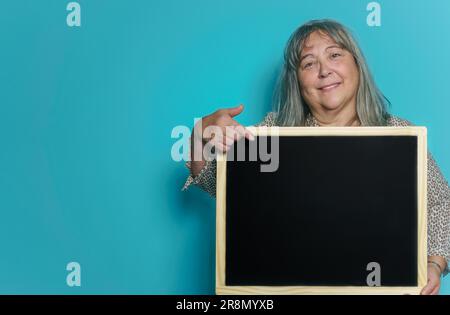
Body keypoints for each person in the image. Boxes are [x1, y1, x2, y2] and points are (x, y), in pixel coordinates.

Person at [182, 19, 450, 295]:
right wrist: (201, 133)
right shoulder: (273, 133)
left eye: (335, 55)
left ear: (357, 64)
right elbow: (214, 182)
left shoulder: (398, 133)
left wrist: (434, 264)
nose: (324, 71)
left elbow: (442, 203)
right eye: (308, 63)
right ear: (296, 79)